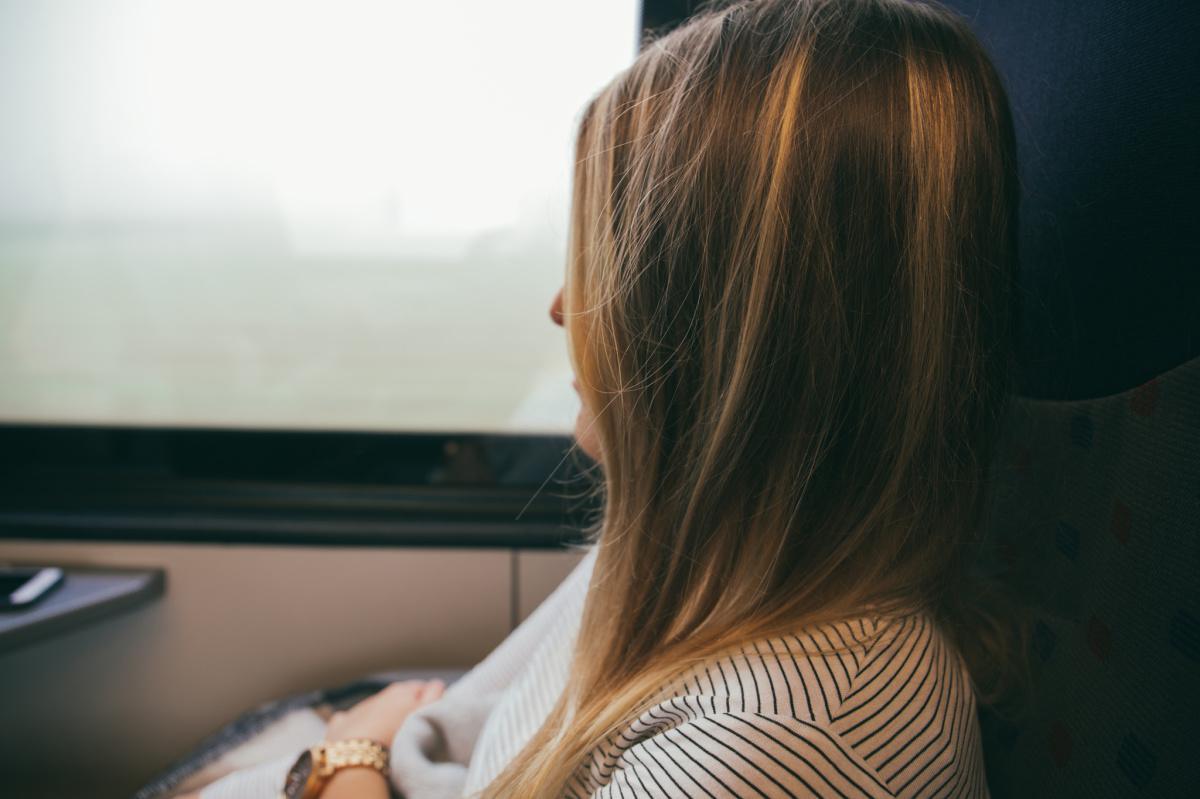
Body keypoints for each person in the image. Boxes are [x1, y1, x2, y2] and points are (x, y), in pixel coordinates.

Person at [195, 0, 1022, 796]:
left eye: (616, 264)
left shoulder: (783, 747)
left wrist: (350, 754)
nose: (563, 305)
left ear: (730, 338)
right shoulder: (704, 555)